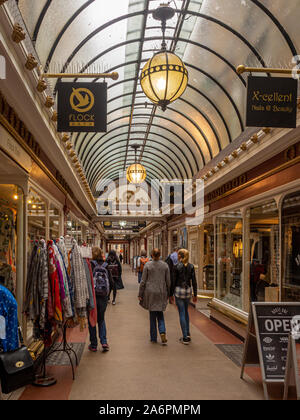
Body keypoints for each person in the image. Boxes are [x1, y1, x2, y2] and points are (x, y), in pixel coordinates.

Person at [138, 248, 170, 345]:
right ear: (159, 255)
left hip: (150, 292)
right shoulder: (165, 265)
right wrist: (169, 293)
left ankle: (153, 337)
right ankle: (162, 331)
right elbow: (168, 281)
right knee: (160, 313)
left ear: (152, 255)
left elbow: (143, 281)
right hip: (161, 291)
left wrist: (140, 293)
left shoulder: (148, 265)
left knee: (152, 315)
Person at [170, 249, 197, 345]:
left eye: (178, 255)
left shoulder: (176, 267)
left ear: (180, 256)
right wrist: (195, 294)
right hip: (188, 291)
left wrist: (170, 294)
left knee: (181, 312)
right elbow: (194, 281)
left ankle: (185, 337)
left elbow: (173, 281)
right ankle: (188, 333)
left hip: (179, 290)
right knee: (186, 311)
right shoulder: (191, 266)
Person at [88, 247, 111, 352]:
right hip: (103, 297)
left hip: (93, 296)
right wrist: (107, 296)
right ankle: (104, 341)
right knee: (101, 319)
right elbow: (111, 282)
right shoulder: (106, 265)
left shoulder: (90, 265)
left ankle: (93, 345)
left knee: (92, 319)